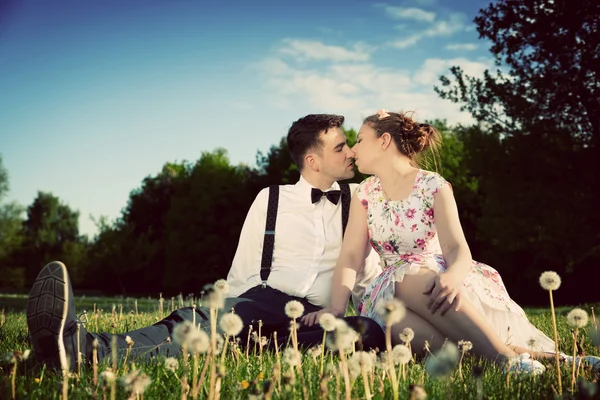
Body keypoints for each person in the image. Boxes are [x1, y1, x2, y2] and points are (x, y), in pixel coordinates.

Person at [26, 114, 385, 374]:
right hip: (264, 302)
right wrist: (230, 313)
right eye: (340, 148)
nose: (351, 153)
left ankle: (264, 347)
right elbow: (244, 267)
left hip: (320, 317)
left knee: (366, 332)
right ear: (313, 160)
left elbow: (369, 264)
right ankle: (84, 349)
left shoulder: (362, 199)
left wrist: (387, 129)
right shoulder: (271, 199)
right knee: (196, 324)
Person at [301, 109, 600, 374]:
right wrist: (337, 310)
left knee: (412, 278)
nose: (353, 150)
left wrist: (453, 278)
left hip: (438, 282)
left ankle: (503, 360)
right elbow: (351, 256)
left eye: (360, 139)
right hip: (389, 295)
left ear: (384, 141)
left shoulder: (433, 185)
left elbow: (457, 248)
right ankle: (551, 360)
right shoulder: (365, 193)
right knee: (398, 327)